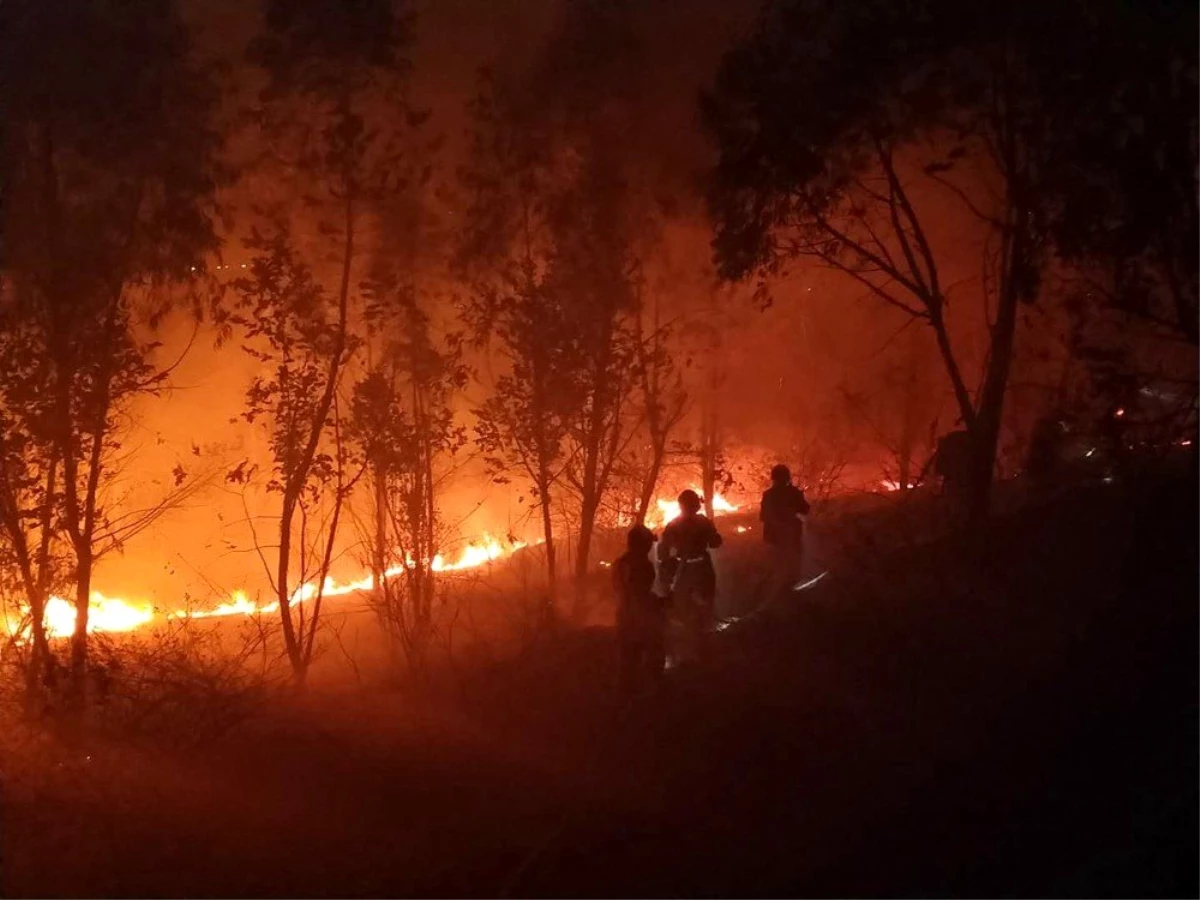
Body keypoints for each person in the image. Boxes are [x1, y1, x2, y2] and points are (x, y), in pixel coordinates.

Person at [658, 490, 723, 663]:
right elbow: (715, 543)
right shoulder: (702, 522)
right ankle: (701, 646)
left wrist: (668, 567)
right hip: (699, 568)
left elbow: (663, 550)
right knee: (703, 605)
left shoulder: (674, 524)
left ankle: (695, 647)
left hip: (686, 569)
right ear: (695, 504)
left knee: (686, 607)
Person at [612, 525, 666, 691]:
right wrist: (660, 602)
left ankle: (626, 696)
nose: (651, 547)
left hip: (624, 615)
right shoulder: (642, 564)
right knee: (654, 655)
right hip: (642, 618)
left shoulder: (619, 563)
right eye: (648, 543)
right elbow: (640, 594)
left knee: (628, 660)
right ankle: (653, 695)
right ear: (641, 544)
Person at [760, 464, 810, 599]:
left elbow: (763, 517)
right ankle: (792, 596)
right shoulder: (793, 493)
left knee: (779, 569)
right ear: (787, 477)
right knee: (793, 568)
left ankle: (780, 597)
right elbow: (805, 510)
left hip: (775, 540)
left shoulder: (768, 495)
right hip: (792, 537)